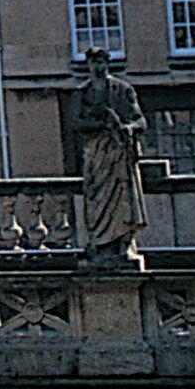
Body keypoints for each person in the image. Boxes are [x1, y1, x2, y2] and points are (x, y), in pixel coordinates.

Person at [73, 46, 150, 258]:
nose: (97, 66)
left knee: (124, 198)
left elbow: (141, 120)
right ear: (88, 65)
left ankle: (124, 242)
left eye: (100, 61)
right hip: (96, 154)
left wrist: (128, 128)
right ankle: (99, 242)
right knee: (96, 198)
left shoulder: (122, 89)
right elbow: (76, 123)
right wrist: (101, 124)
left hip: (119, 153)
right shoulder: (82, 92)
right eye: (93, 62)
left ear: (107, 63)